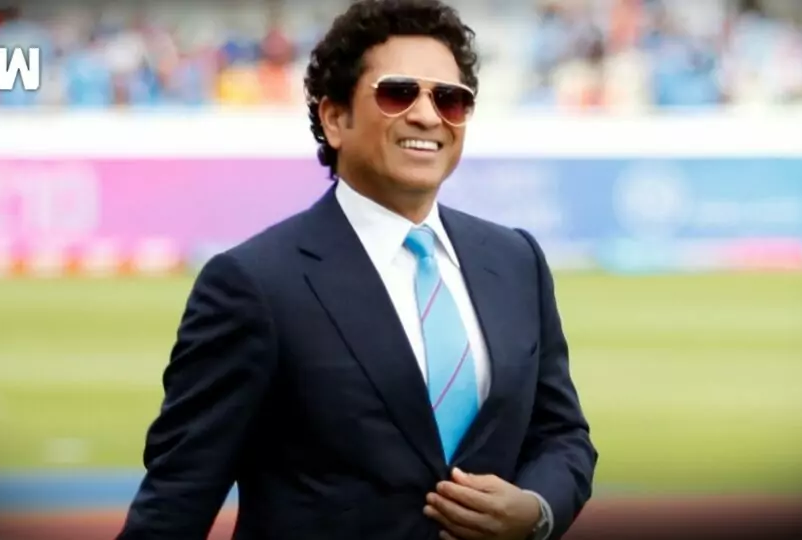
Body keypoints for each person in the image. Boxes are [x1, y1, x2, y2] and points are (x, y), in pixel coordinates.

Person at [117, 1, 597, 538]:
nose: (427, 115)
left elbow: (562, 436)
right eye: (398, 93)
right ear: (334, 119)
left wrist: (536, 511)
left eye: (450, 99)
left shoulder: (515, 261)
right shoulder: (254, 285)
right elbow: (178, 497)